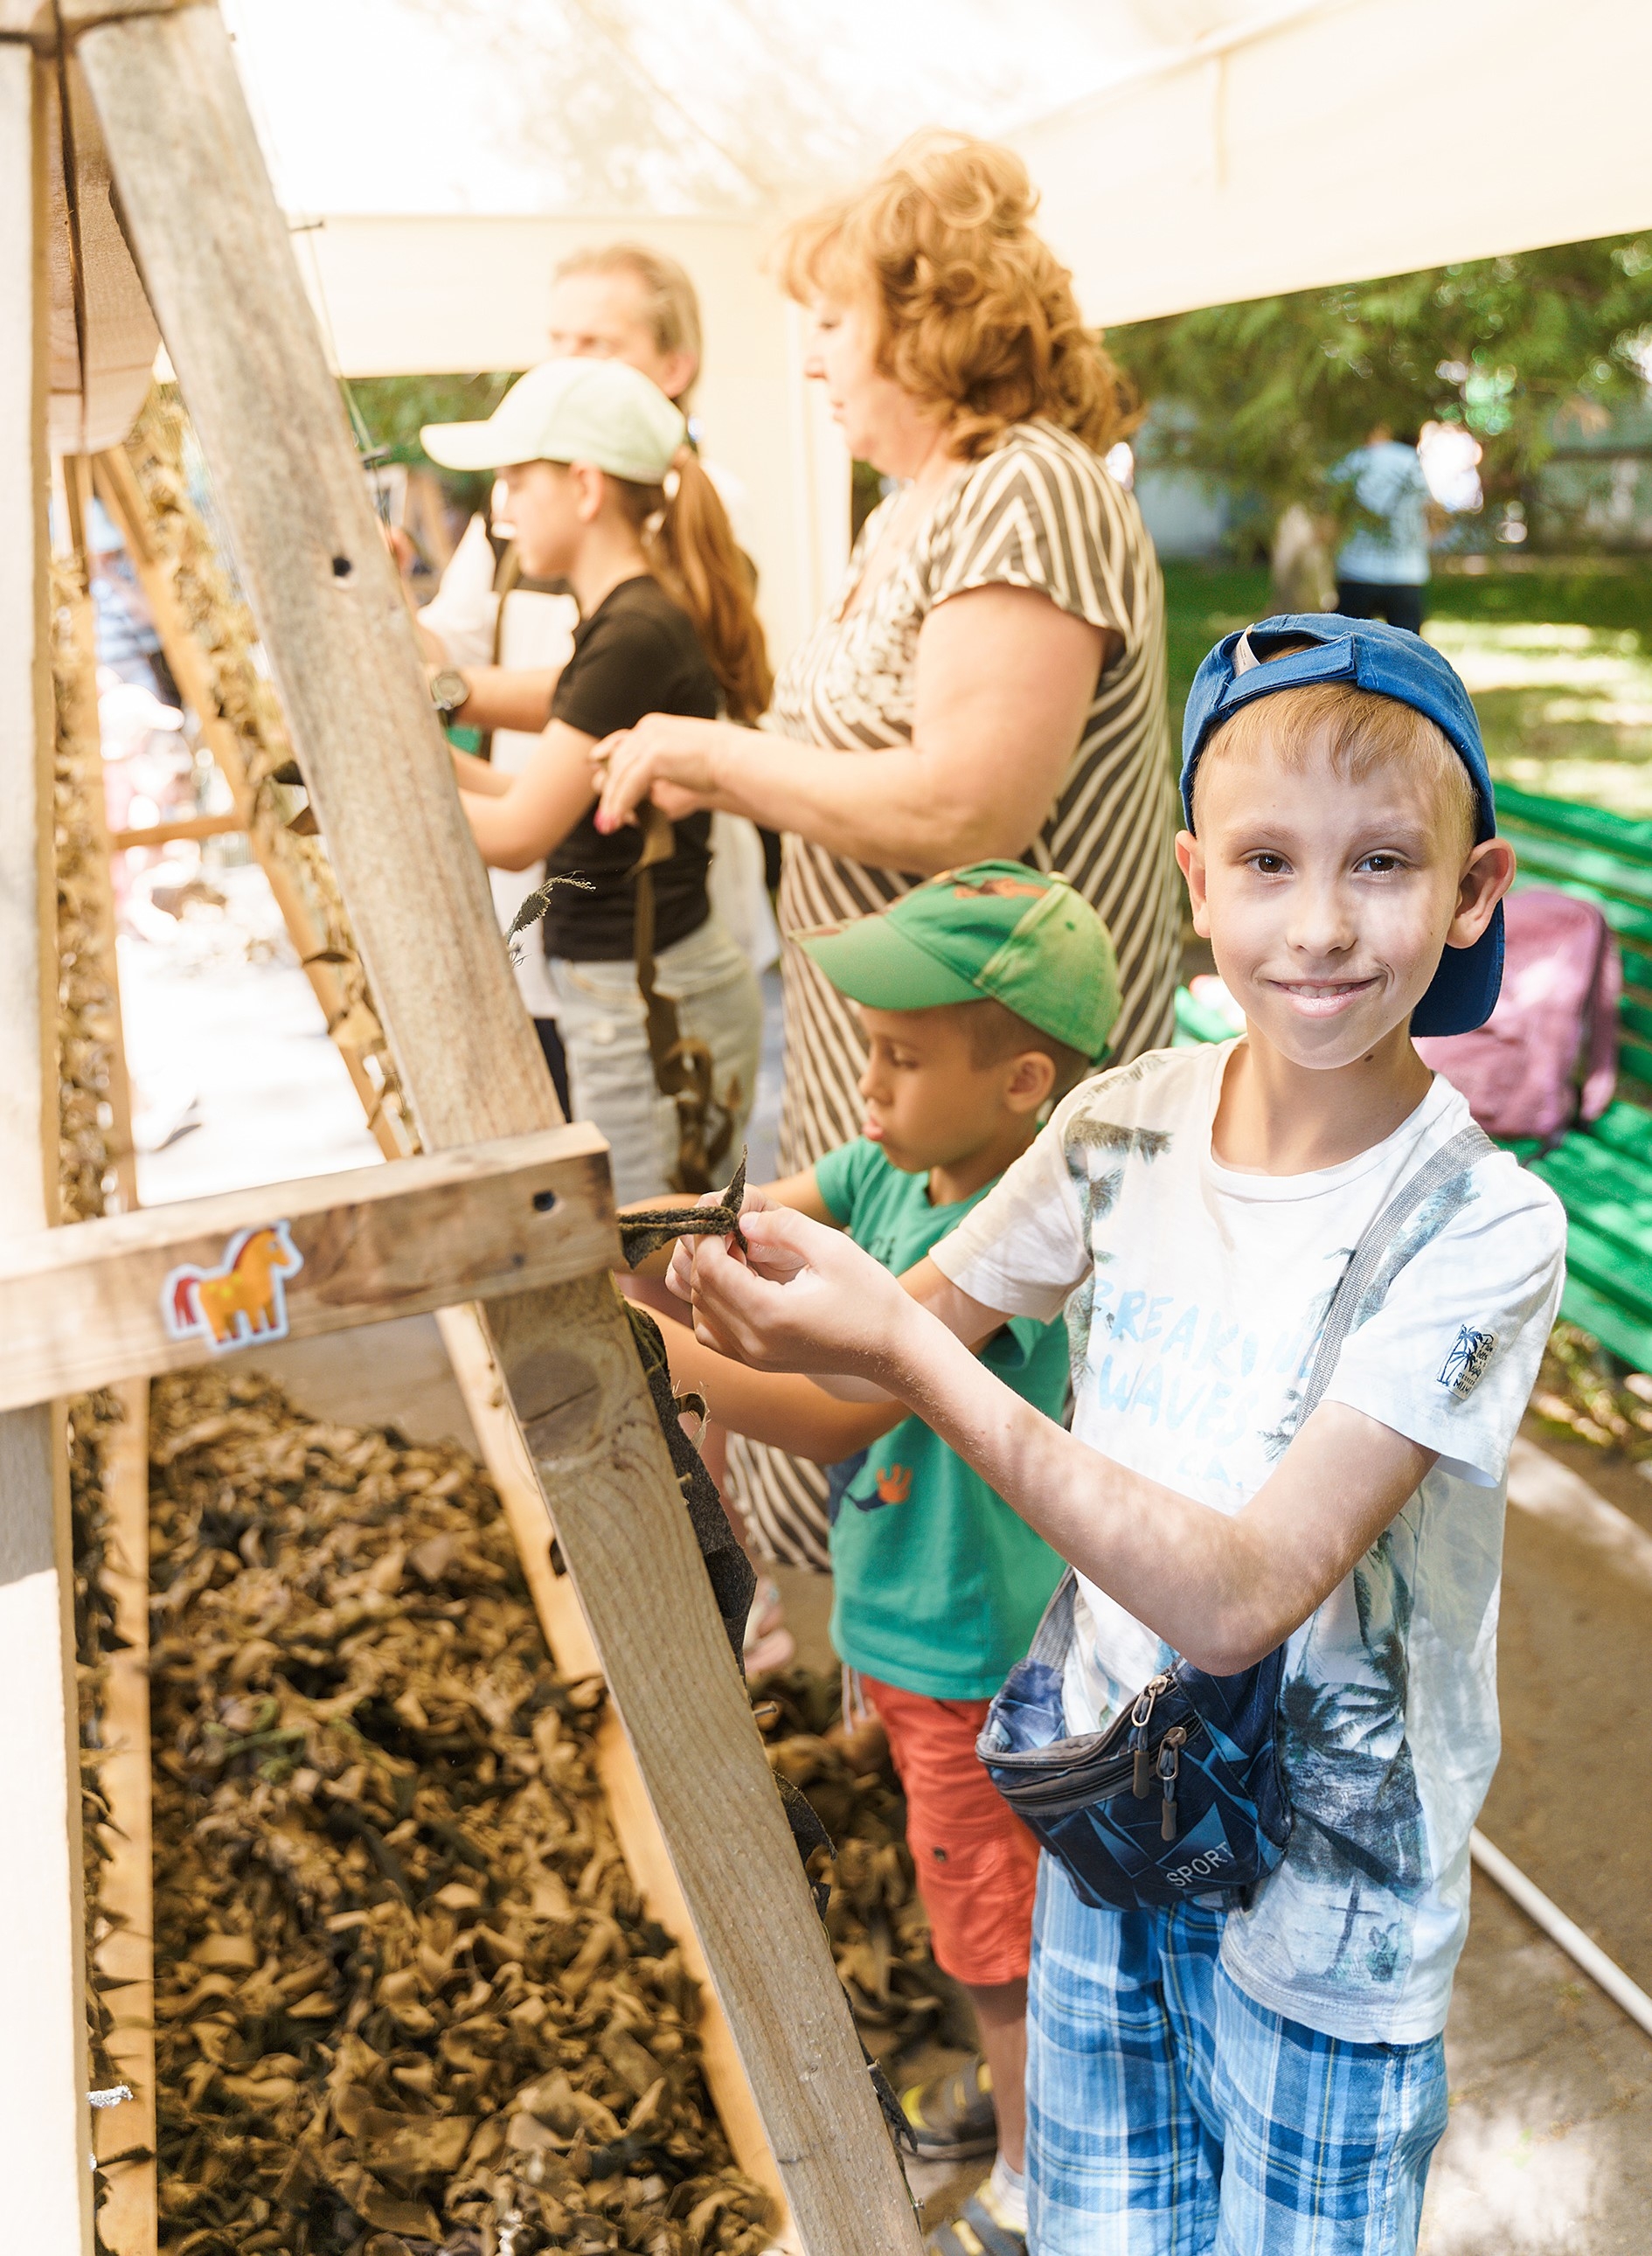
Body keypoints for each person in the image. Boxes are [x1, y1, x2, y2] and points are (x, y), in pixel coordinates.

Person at [671, 618, 1566, 2255]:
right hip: (1110, 1834)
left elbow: (1239, 1595)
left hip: (1329, 1927)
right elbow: (879, 1343)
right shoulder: (1119, 1125)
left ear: (1471, 892)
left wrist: (905, 1352)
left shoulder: (1478, 1228)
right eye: (1266, 861)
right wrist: (687, 1297)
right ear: (1193, 882)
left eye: (1380, 863)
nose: (1316, 924)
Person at [593, 132, 1182, 1570]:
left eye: (833, 321)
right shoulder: (917, 507)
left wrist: (707, 751)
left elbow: (963, 808)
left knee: (964, 1473)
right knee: (900, 1475)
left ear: (936, 319)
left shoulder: (1026, 492)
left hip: (1016, 1114)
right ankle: (904, 1727)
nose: (810, 361)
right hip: (918, 1089)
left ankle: (973, 1765)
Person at [630, 864, 1121, 2256]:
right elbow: (750, 1215)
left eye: (904, 1059)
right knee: (974, 1902)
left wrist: (661, 1352)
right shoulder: (887, 1171)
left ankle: (1033, 2183)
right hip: (910, 1646)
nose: (868, 1085)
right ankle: (1022, 2103)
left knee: (994, 1942)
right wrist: (646, 1240)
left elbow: (839, 1401)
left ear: (1023, 1083)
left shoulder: (1007, 1248)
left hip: (976, 1667)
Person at [415, 244, 774, 1099]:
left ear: (583, 486)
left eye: (597, 346)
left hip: (642, 967)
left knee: (643, 1217)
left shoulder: (643, 614)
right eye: (558, 341)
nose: (501, 503)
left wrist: (385, 781)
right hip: (579, 954)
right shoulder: (607, 600)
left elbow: (523, 817)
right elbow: (524, 752)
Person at [1331, 423, 1437, 632]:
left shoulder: (1357, 460)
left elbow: (1329, 510)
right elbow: (1432, 510)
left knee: (1347, 650)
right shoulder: (1412, 461)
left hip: (1356, 570)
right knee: (1407, 653)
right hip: (1406, 573)